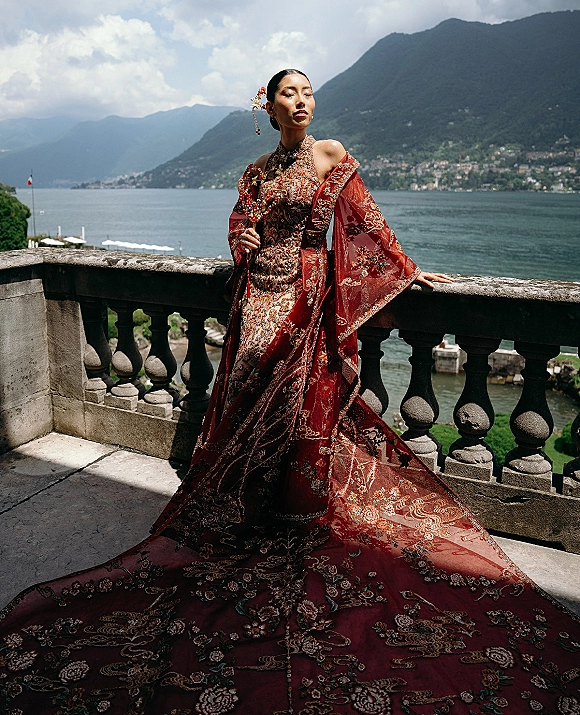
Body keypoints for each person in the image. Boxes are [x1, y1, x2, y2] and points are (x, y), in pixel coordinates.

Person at [0, 70, 578, 715]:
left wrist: (408, 270)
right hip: (256, 302)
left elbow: (364, 225)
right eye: (289, 94)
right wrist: (241, 239)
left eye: (307, 92)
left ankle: (298, 507)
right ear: (267, 105)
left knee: (305, 412)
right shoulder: (254, 170)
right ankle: (259, 503)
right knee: (248, 405)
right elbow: (241, 222)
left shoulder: (332, 156)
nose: (301, 101)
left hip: (305, 300)